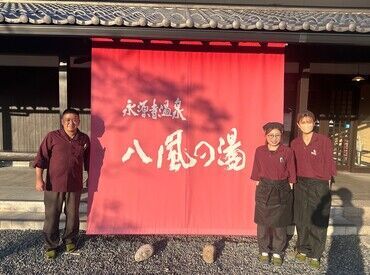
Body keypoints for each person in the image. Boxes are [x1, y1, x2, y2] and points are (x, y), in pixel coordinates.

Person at [34, 108, 90, 259]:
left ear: (79, 120)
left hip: (74, 184)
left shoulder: (84, 139)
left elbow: (88, 161)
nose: (71, 123)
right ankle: (51, 245)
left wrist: (90, 177)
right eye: (67, 120)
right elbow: (41, 159)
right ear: (62, 121)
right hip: (54, 184)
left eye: (74, 119)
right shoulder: (52, 137)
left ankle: (70, 240)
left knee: (73, 215)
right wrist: (39, 179)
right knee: (52, 215)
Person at [291, 110, 336, 269]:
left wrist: (328, 183)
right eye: (303, 122)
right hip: (301, 183)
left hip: (319, 183)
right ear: (298, 125)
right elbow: (292, 165)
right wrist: (292, 181)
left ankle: (316, 254)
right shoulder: (295, 143)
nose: (306, 124)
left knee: (318, 219)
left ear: (314, 122)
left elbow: (330, 162)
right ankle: (303, 249)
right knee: (302, 218)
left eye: (309, 121)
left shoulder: (323, 141)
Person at [251, 122, 296, 266]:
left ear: (281, 135)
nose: (274, 138)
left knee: (280, 224)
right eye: (271, 135)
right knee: (262, 223)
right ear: (266, 136)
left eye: (277, 135)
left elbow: (292, 171)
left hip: (281, 189)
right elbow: (256, 171)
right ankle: (264, 250)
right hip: (265, 188)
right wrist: (258, 187)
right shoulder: (260, 151)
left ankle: (277, 251)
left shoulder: (287, 151)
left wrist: (289, 187)